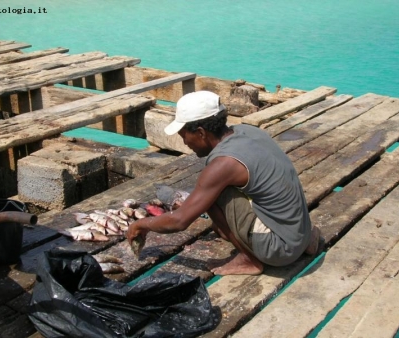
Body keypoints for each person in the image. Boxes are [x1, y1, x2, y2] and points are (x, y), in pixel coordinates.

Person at [126, 91, 320, 275]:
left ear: (201, 133)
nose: (185, 142)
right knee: (213, 191)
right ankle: (301, 242)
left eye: (184, 134)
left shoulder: (223, 164)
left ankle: (249, 259)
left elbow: (179, 221)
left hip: (279, 250)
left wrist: (142, 225)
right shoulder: (248, 132)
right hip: (300, 233)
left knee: (213, 194)